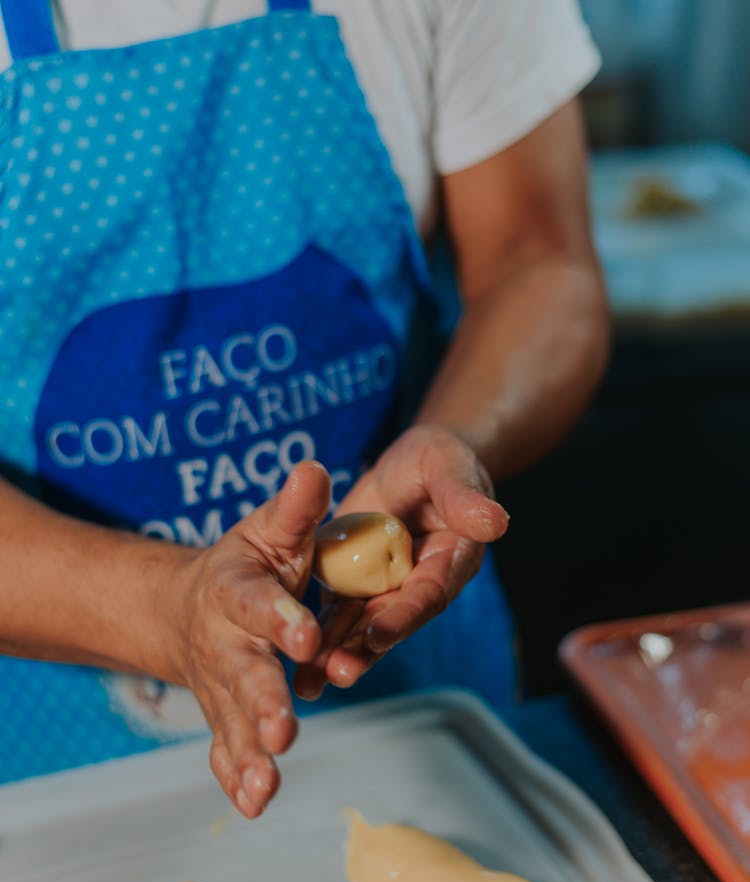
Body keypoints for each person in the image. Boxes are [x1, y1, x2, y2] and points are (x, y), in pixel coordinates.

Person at [0, 0, 609, 818]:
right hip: (51, 779)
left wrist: (460, 435)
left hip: (416, 710)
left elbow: (539, 265)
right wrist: (169, 606)